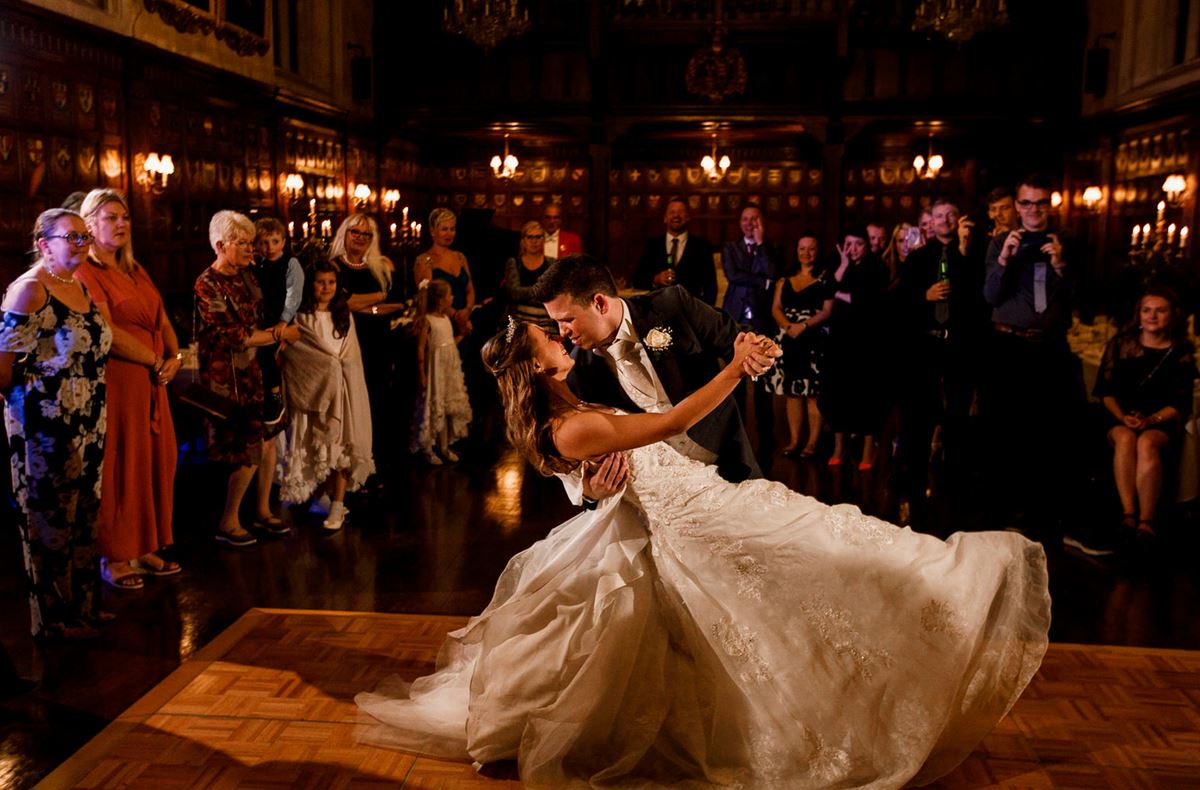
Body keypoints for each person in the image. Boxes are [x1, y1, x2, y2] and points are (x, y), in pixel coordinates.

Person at [356, 318, 1051, 788]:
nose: (562, 334)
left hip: (709, 498)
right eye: (550, 332)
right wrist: (736, 367)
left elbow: (621, 460)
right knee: (810, 583)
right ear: (535, 361)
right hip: (697, 523)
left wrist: (596, 490)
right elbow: (675, 421)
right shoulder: (569, 424)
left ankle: (932, 605)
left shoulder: (571, 397)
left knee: (834, 548)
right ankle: (925, 619)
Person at [537, 254, 762, 488]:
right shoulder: (579, 370)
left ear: (600, 303)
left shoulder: (672, 305)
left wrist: (758, 353)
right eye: (557, 322)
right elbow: (585, 458)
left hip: (728, 464)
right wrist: (591, 493)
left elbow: (738, 340)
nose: (562, 332)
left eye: (567, 320)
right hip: (661, 489)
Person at [0, 209, 112, 638]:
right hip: (46, 422)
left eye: (86, 236)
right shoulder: (29, 290)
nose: (83, 244)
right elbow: (3, 365)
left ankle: (82, 606)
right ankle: (53, 618)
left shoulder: (78, 283)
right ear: (44, 244)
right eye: (73, 237)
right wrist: (33, 408)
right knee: (50, 519)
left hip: (89, 416)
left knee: (84, 513)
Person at [75, 189, 182, 589]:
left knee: (157, 458)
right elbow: (107, 332)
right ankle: (115, 555)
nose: (121, 224)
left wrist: (175, 356)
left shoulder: (135, 269)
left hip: (154, 380)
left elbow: (162, 317)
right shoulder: (87, 270)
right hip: (120, 379)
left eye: (124, 217)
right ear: (89, 224)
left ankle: (146, 544)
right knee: (122, 463)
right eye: (110, 218)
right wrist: (155, 361)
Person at [982, 173, 1084, 533]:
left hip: (1050, 348)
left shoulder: (1067, 240)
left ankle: (1043, 512)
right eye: (1026, 203)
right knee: (1007, 429)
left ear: (1049, 205)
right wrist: (1006, 258)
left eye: (1040, 202)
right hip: (1008, 346)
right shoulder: (1000, 241)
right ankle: (1005, 510)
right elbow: (991, 296)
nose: (1033, 210)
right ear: (1017, 206)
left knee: (1047, 432)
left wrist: (1061, 266)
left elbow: (1082, 299)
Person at [195, 211, 299, 547]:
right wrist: (278, 334)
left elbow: (264, 314)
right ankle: (228, 520)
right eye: (242, 243)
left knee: (268, 439)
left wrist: (277, 335)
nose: (250, 249)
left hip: (262, 369)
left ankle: (263, 510)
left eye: (250, 242)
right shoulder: (207, 283)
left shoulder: (248, 275)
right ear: (221, 245)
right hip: (231, 377)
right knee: (247, 447)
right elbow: (234, 335)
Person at [895, 198, 988, 502]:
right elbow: (899, 302)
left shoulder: (973, 256)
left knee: (957, 416)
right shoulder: (919, 257)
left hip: (960, 345)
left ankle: (955, 484)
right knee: (919, 416)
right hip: (925, 346)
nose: (945, 220)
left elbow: (981, 300)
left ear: (958, 219)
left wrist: (963, 251)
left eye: (951, 215)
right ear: (930, 222)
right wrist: (925, 295)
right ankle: (914, 482)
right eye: (939, 216)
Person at [1093, 287, 1197, 541]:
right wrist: (1123, 417)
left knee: (1147, 442)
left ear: (1172, 315)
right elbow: (1105, 391)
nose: (1152, 316)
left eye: (1160, 311)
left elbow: (1180, 402)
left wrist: (1151, 420)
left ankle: (1146, 521)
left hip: (1161, 419)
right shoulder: (1120, 344)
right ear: (1138, 315)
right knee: (1127, 439)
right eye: (1146, 310)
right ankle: (1129, 514)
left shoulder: (1181, 351)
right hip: (1120, 416)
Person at [279, 261, 374, 531]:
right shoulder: (302, 317)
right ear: (311, 285)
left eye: (331, 283)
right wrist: (327, 367)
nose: (326, 287)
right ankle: (321, 496)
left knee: (342, 445)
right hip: (314, 393)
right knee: (318, 446)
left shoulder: (343, 315)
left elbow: (351, 355)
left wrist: (339, 369)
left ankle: (337, 505)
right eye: (321, 282)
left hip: (342, 392)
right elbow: (297, 354)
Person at [329, 213, 400, 475]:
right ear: (344, 234)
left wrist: (364, 306)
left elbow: (397, 303)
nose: (360, 238)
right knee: (351, 400)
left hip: (378, 340)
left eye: (366, 234)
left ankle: (375, 457)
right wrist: (378, 298)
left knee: (378, 398)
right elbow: (341, 304)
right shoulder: (334, 267)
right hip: (347, 339)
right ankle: (349, 460)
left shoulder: (382, 265)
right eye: (355, 232)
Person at [820, 228, 891, 469]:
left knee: (866, 396)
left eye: (858, 243)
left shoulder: (877, 267)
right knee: (839, 394)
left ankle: (868, 450)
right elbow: (825, 292)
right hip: (840, 340)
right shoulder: (840, 266)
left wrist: (841, 293)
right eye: (848, 244)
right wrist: (841, 267)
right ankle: (840, 447)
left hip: (867, 341)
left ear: (866, 246)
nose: (853, 249)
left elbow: (869, 301)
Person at [721, 203, 780, 463]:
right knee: (736, 379)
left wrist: (761, 244)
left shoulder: (770, 248)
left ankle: (767, 437)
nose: (749, 223)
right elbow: (734, 276)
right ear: (740, 222)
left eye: (754, 219)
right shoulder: (731, 248)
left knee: (763, 382)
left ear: (761, 222)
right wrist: (762, 281)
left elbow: (774, 274)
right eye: (745, 219)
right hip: (736, 321)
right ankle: (738, 433)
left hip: (762, 321)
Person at [766, 233, 833, 458]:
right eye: (802, 248)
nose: (806, 253)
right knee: (792, 392)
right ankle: (794, 441)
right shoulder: (784, 280)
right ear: (796, 251)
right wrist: (788, 326)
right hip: (788, 338)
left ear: (818, 251)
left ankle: (812, 443)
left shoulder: (826, 279)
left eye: (811, 248)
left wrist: (803, 326)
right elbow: (775, 308)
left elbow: (827, 311)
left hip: (813, 338)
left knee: (813, 393)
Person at [411, 279, 472, 465]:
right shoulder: (427, 321)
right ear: (440, 300)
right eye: (449, 294)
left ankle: (444, 447)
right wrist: (422, 373)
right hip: (434, 371)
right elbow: (421, 348)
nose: (452, 297)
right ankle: (427, 447)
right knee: (432, 405)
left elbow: (449, 345)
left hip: (448, 372)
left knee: (445, 407)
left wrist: (462, 334)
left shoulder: (446, 319)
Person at [633, 196, 717, 304]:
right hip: (658, 311)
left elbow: (711, 287)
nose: (676, 215)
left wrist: (706, 315)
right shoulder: (652, 245)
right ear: (665, 218)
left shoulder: (702, 246)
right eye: (672, 212)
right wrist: (656, 279)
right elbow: (637, 280)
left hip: (691, 312)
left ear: (688, 217)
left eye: (681, 212)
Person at [414, 208, 475, 335]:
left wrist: (467, 310)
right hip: (441, 323)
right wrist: (456, 316)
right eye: (444, 229)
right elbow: (428, 297)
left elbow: (470, 289)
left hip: (466, 320)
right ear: (432, 231)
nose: (449, 234)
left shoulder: (460, 257)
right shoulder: (425, 260)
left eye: (452, 229)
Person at [503, 220, 555, 332]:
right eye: (530, 237)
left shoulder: (551, 263)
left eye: (538, 237)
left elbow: (551, 294)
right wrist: (539, 291)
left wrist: (526, 293)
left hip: (545, 322)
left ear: (543, 240)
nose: (534, 241)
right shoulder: (514, 263)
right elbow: (514, 293)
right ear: (523, 240)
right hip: (518, 320)